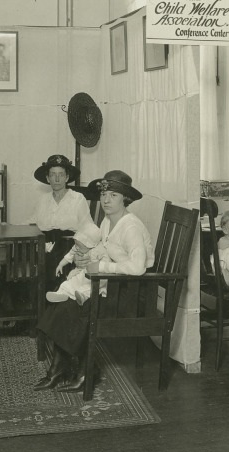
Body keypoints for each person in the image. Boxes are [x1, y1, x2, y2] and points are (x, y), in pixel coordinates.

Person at [32, 170, 153, 393]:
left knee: (74, 308)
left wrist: (102, 267)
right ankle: (58, 370)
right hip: (108, 284)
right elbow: (103, 249)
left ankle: (87, 371)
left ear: (126, 198)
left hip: (128, 293)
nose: (106, 200)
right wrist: (85, 259)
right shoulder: (108, 221)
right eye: (105, 194)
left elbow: (137, 268)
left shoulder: (131, 226)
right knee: (65, 303)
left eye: (114, 196)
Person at [31, 152, 93, 283]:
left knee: (52, 269)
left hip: (68, 246)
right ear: (48, 178)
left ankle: (51, 299)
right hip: (44, 245)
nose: (57, 179)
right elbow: (32, 223)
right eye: (53, 175)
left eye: (61, 175)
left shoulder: (77, 199)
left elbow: (88, 229)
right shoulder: (42, 200)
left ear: (67, 177)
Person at [45, 223, 112, 304]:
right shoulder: (77, 246)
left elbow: (107, 263)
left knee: (90, 287)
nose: (76, 247)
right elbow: (69, 255)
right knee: (70, 282)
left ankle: (82, 296)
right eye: (76, 244)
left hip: (95, 276)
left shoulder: (100, 250)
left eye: (79, 246)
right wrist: (60, 264)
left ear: (91, 245)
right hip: (82, 273)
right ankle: (61, 293)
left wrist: (99, 267)